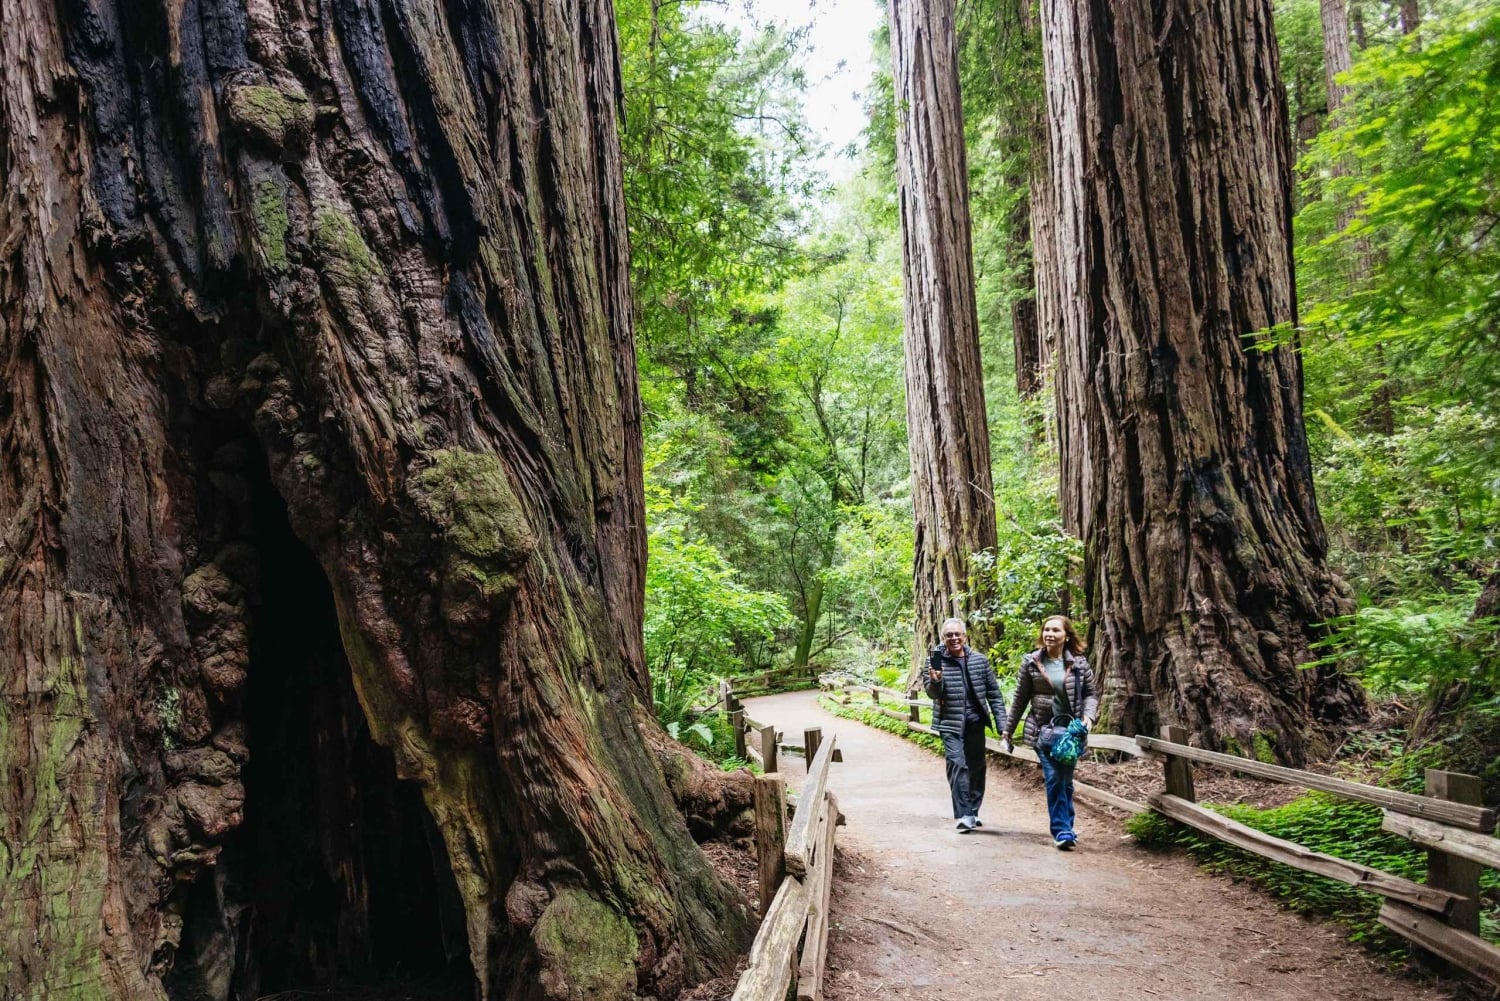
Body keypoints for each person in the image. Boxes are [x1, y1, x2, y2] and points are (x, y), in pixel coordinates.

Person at [1002, 615, 1098, 850]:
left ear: (1066, 636)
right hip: (1042, 731)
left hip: (1071, 733)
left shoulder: (1079, 663)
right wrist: (1007, 732)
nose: (1049, 634)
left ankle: (1066, 826)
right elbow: (1019, 700)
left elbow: (1090, 694)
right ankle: (1062, 830)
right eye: (1046, 630)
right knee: (1054, 778)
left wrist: (1089, 716)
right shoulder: (1031, 662)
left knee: (1065, 781)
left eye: (1055, 630)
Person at [923, 617, 1007, 833]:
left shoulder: (979, 660)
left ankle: (973, 810)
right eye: (949, 635)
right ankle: (964, 814)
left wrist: (1002, 725)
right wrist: (936, 680)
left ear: (964, 636)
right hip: (949, 723)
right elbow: (932, 693)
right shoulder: (936, 658)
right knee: (957, 765)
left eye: (957, 634)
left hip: (975, 722)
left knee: (977, 767)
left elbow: (994, 694)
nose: (953, 638)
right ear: (943, 638)